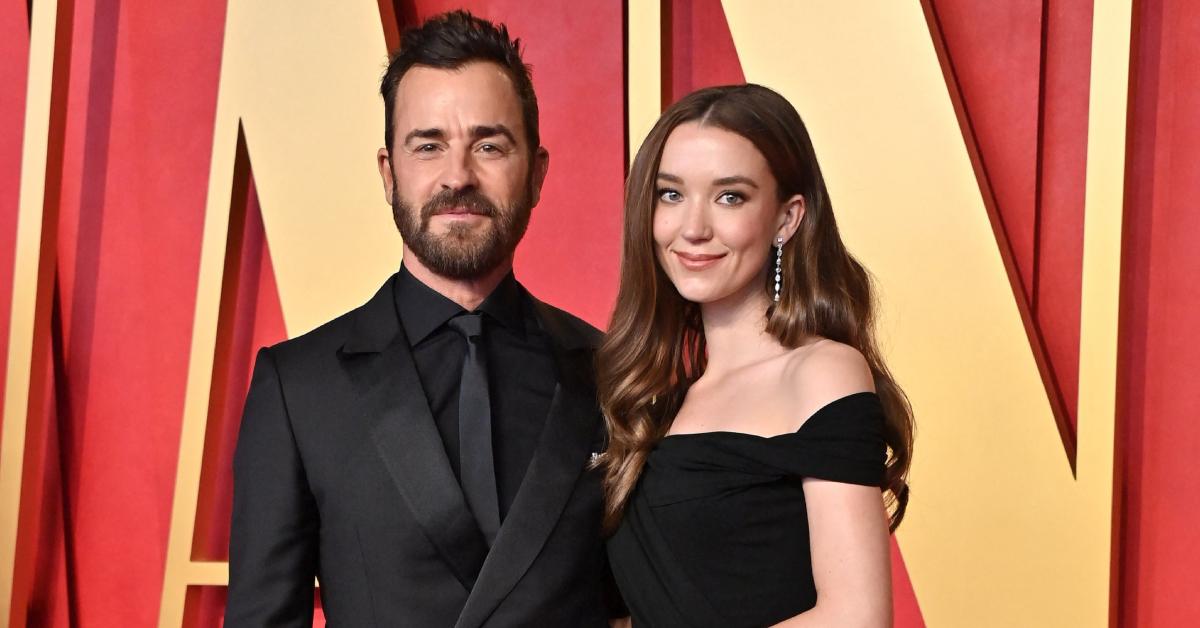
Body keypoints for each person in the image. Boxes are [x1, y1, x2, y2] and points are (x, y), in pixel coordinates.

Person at [225, 11, 614, 627]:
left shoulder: (610, 373)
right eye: (428, 146)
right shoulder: (298, 388)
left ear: (537, 174)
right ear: (388, 173)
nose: (457, 176)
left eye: (489, 145)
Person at [598, 84, 914, 627]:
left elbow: (857, 619)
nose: (693, 228)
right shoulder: (654, 399)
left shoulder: (821, 372)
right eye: (671, 194)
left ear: (787, 219)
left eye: (730, 197)